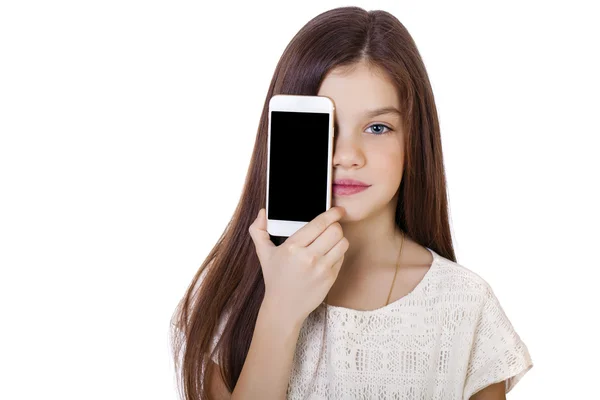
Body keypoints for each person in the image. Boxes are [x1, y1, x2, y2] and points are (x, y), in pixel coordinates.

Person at [170, 6, 533, 400]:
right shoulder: (233, 295)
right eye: (326, 126)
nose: (347, 155)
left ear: (413, 140)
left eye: (377, 127)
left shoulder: (465, 306)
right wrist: (280, 311)